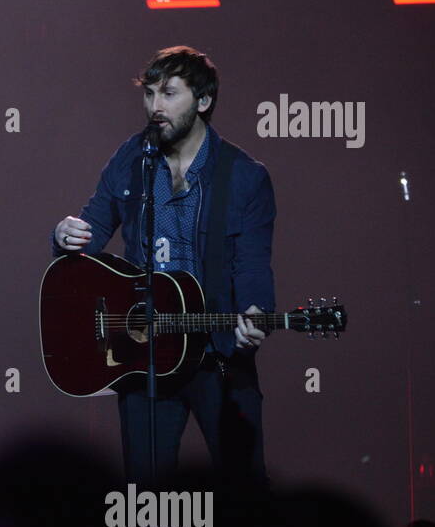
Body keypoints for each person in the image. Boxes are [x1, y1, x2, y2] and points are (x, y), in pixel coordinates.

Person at [51, 46, 276, 488]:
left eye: (169, 93)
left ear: (203, 101)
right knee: (146, 498)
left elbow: (253, 263)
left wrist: (255, 311)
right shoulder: (130, 159)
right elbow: (92, 228)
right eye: (150, 93)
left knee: (246, 494)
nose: (156, 106)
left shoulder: (245, 175)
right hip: (145, 356)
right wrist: (65, 236)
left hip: (218, 355)